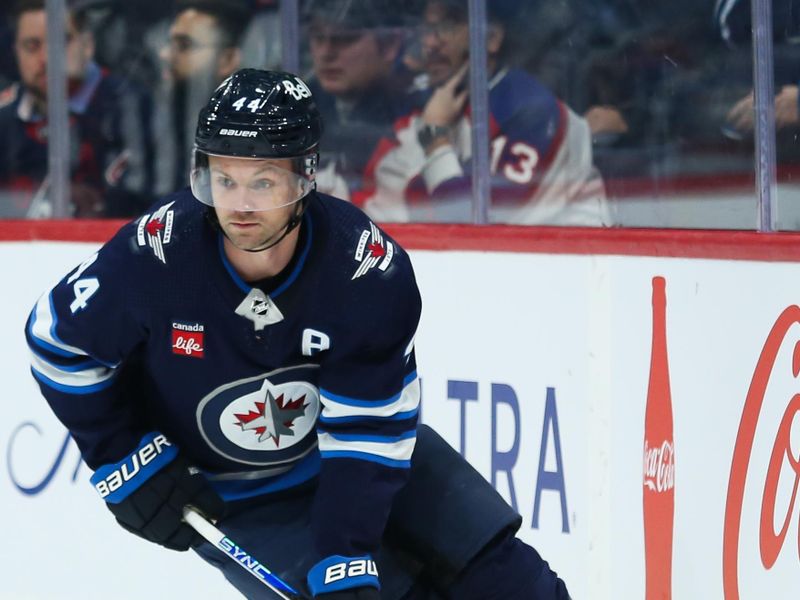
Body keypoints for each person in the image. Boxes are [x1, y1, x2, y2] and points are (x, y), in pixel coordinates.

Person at [25, 67, 571, 600]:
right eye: (224, 178)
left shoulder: (364, 269)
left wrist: (346, 553)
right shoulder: (158, 255)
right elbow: (57, 342)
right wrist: (121, 457)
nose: (239, 204)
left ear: (305, 176)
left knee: (518, 584)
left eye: (262, 181)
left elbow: (367, 431)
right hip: (239, 499)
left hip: (368, 469)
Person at [359, 0, 609, 226]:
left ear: (492, 38)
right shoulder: (422, 108)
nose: (430, 43)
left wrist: (435, 139)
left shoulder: (533, 111)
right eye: (426, 29)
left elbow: (466, 226)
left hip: (572, 270)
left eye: (447, 26)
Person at [0, 0, 154, 218]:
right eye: (32, 46)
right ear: (16, 52)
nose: (46, 58)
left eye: (62, 42)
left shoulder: (133, 111)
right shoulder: (4, 116)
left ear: (88, 44)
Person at [303, 0, 414, 202]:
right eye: (318, 37)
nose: (326, 53)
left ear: (390, 44)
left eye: (345, 38)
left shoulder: (416, 113)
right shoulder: (300, 106)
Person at [152, 0, 248, 196]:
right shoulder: (152, 119)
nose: (164, 54)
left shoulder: (251, 137)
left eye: (184, 45)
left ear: (227, 59)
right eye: (169, 44)